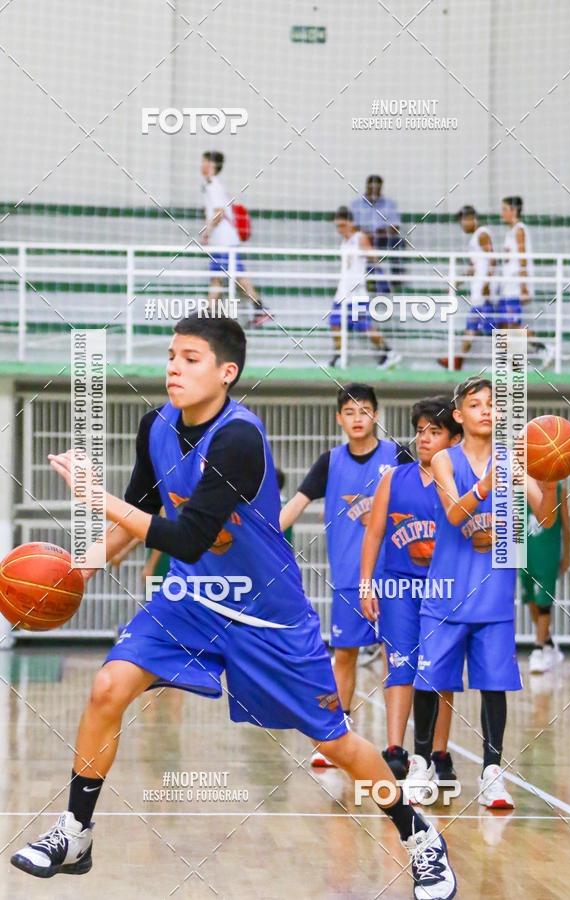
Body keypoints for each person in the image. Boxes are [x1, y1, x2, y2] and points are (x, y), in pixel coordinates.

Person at [11, 316, 457, 899]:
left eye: (190, 358)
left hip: (267, 613)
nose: (174, 367)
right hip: (192, 598)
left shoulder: (239, 438)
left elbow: (186, 537)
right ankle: (76, 832)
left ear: (227, 372)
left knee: (334, 743)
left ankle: (419, 835)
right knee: (107, 688)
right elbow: (139, 511)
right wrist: (80, 569)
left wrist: (95, 498)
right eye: (171, 355)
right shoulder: (155, 427)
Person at [408, 377, 559, 809]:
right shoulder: (444, 459)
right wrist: (487, 484)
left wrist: (549, 481)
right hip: (446, 594)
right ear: (459, 415)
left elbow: (546, 518)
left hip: (494, 597)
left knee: (494, 686)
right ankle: (421, 762)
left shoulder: (514, 460)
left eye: (493, 404)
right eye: (476, 404)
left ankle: (492, 772)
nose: (487, 410)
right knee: (430, 681)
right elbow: (455, 514)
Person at [280, 383, 412, 767]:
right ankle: (337, 737)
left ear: (376, 415)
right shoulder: (330, 462)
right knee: (345, 656)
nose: (358, 418)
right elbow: (295, 505)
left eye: (364, 411)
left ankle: (396, 746)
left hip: (396, 577)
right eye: (350, 412)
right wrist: (262, 538)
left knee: (394, 658)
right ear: (339, 418)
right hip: (349, 579)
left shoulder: (397, 455)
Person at [360, 397, 462, 783]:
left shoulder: (460, 481)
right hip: (398, 584)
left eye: (434, 432)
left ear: (454, 439)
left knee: (441, 671)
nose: (424, 439)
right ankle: (395, 750)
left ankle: (439, 753)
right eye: (420, 431)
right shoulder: (393, 478)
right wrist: (366, 584)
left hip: (444, 586)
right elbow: (374, 534)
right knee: (399, 665)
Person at [200, 151, 268, 327]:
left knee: (235, 275)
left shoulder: (214, 186)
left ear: (212, 165)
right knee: (217, 277)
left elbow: (219, 212)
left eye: (204, 162)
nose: (201, 165)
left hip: (225, 242)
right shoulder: (210, 185)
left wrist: (207, 232)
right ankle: (209, 315)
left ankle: (260, 308)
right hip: (220, 242)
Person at [328, 207, 400, 369]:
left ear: (351, 223)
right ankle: (339, 356)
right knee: (334, 323)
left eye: (342, 225)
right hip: (343, 292)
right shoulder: (345, 242)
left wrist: (368, 254)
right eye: (338, 226)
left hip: (356, 292)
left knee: (365, 326)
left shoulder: (360, 238)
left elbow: (374, 257)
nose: (340, 229)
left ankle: (389, 353)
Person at [521, 481, 570, 673]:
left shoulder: (558, 488)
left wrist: (567, 555)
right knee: (531, 601)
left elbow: (566, 525)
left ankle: (538, 649)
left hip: (548, 553)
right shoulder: (521, 484)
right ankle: (548, 641)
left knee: (544, 602)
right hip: (526, 553)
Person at [438, 205, 495, 371]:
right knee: (476, 326)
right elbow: (472, 268)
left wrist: (488, 283)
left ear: (471, 219)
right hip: (479, 290)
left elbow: (493, 260)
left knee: (493, 328)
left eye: (462, 221)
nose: (461, 225)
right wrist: (455, 284)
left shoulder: (482, 234)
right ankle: (458, 360)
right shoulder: (476, 238)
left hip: (484, 291)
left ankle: (517, 359)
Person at [500, 196, 552, 369]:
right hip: (508, 286)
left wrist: (523, 285)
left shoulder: (519, 230)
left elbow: (522, 259)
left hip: (515, 286)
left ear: (514, 211)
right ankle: (512, 363)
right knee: (506, 325)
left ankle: (543, 348)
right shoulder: (510, 232)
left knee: (512, 324)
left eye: (505, 209)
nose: (502, 213)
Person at [351, 174, 405, 287]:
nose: (374, 189)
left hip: (383, 238)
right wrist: (365, 234)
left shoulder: (390, 204)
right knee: (357, 242)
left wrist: (380, 233)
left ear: (381, 187)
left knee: (398, 242)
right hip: (364, 238)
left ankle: (397, 280)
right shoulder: (356, 204)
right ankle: (365, 278)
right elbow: (353, 227)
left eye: (377, 187)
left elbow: (395, 227)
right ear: (367, 186)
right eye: (372, 186)